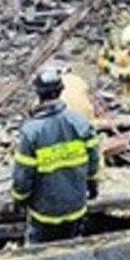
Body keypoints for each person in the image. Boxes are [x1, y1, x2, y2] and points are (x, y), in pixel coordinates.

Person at [12, 66, 102, 244]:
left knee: (40, 254)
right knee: (73, 246)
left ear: (38, 93)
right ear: (61, 91)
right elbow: (93, 161)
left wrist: (19, 200)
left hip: (45, 212)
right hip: (76, 206)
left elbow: (23, 176)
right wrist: (92, 185)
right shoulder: (80, 122)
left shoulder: (31, 132)